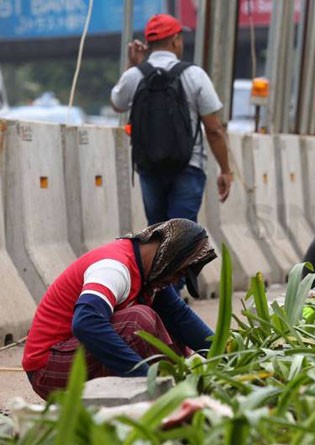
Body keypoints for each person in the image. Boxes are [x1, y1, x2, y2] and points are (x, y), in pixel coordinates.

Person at [22, 219, 217, 399]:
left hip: (73, 356)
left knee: (173, 331)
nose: (175, 281)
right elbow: (86, 323)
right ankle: (164, 393)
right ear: (168, 256)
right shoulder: (114, 267)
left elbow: (180, 317)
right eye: (179, 272)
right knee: (138, 321)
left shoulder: (151, 275)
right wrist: (142, 377)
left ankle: (175, 389)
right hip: (48, 370)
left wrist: (226, 352)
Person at [111, 14, 232, 226]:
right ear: (176, 40)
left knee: (157, 232)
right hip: (189, 166)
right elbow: (214, 130)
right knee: (182, 234)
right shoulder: (195, 75)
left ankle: (161, 260)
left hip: (150, 167)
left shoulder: (135, 75)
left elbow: (117, 103)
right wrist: (225, 170)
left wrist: (132, 65)